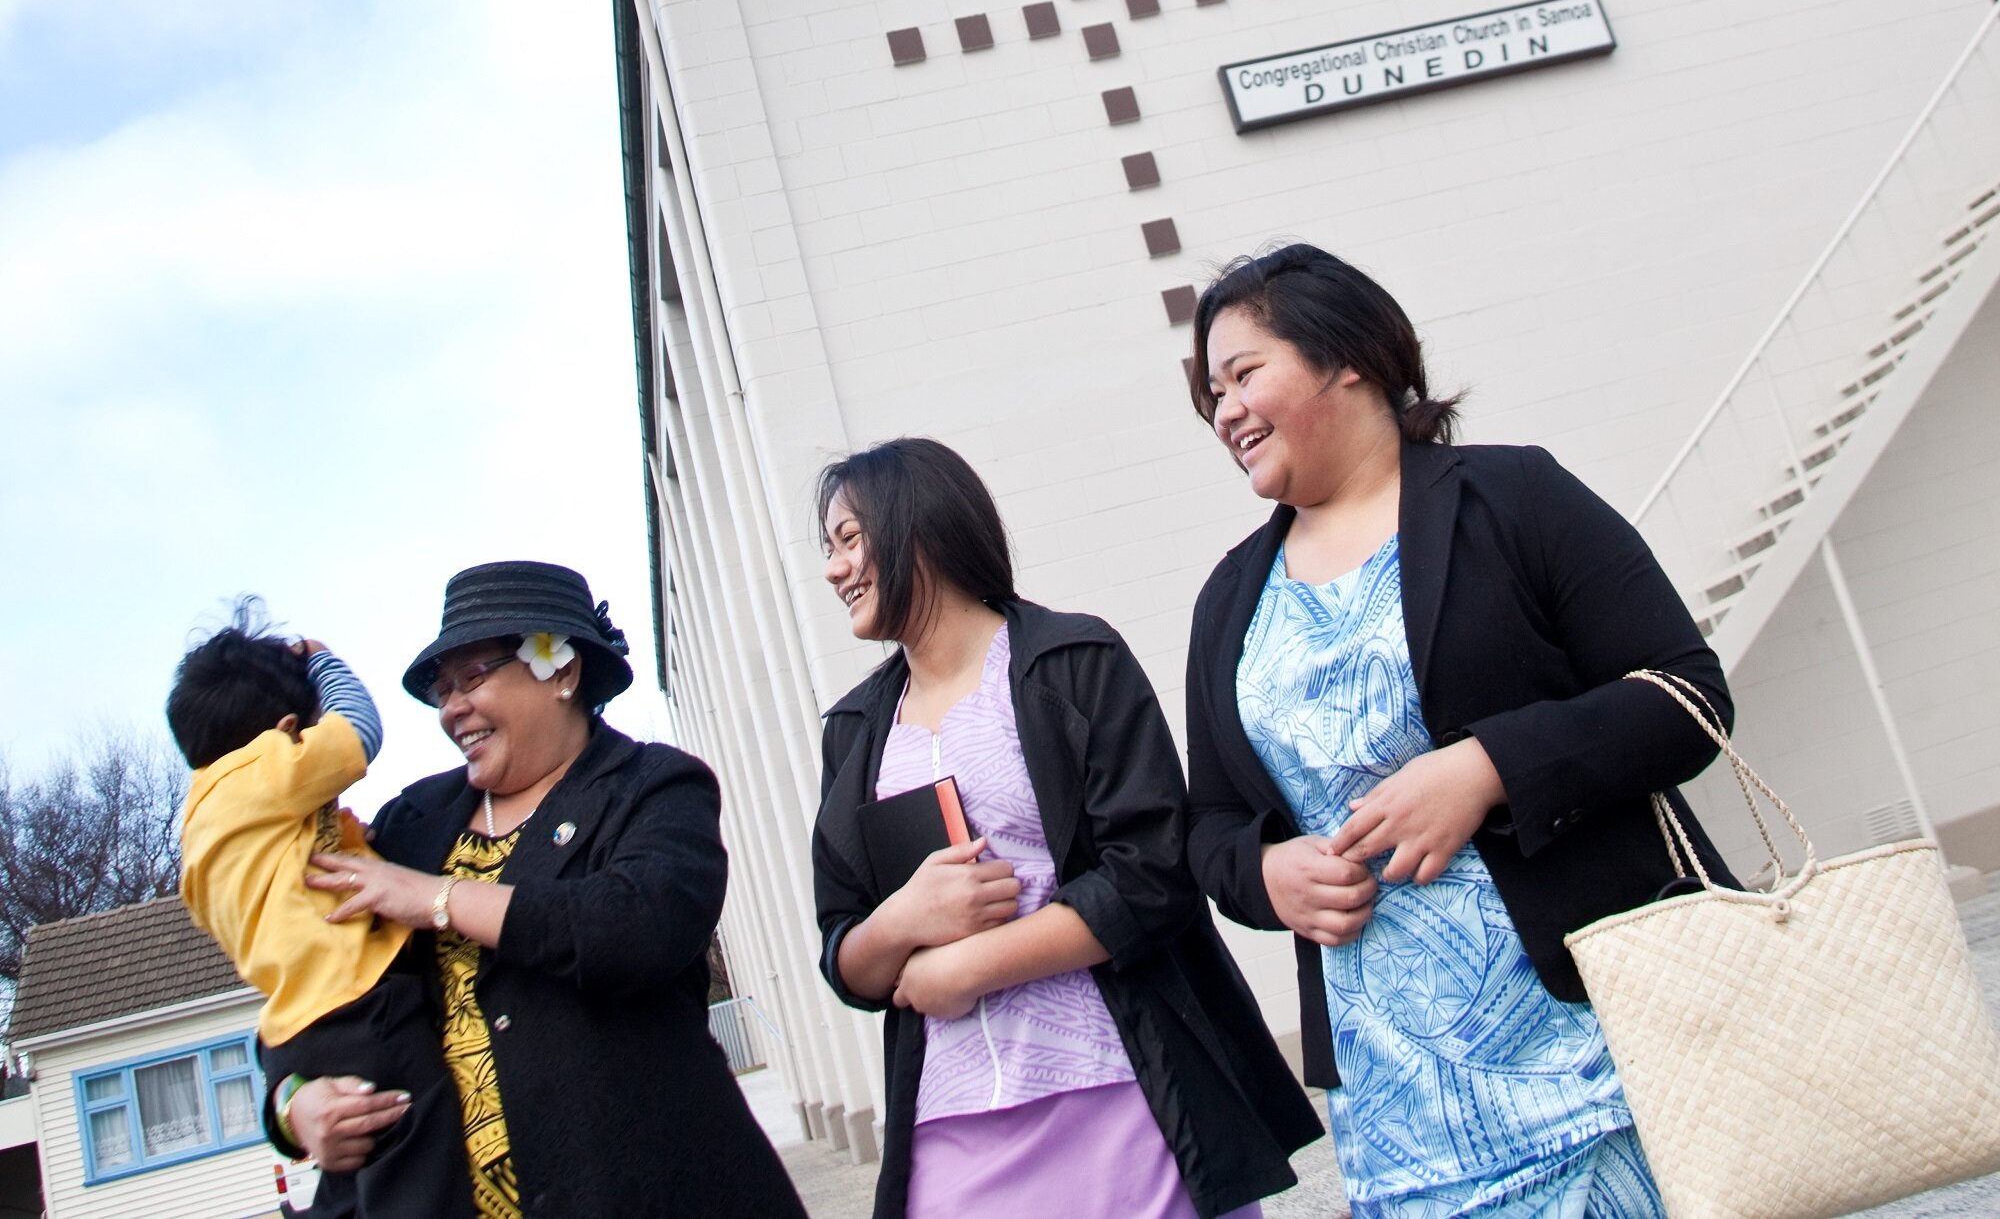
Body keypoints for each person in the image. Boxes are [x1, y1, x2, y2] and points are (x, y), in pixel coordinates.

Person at [1182, 244, 1738, 1217]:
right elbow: (1210, 828)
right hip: (1399, 1117)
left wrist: (1488, 767)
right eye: (1210, 390)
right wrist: (1266, 875)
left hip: (1602, 1066)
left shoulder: (1511, 497)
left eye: (1243, 373)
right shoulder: (1230, 597)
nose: (1222, 408)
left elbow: (1686, 696)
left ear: (1344, 357)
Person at [810, 438, 1322, 1219]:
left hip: (1118, 1086)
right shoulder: (854, 733)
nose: (834, 569)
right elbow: (845, 946)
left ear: (919, 524)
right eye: (829, 549)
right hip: (949, 1125)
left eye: (849, 540)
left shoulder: (1072, 661)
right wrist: (903, 921)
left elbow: (1153, 877)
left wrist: (969, 965)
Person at [265, 561, 806, 1219]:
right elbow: (307, 977)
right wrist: (293, 1103)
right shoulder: (411, 824)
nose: (451, 707)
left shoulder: (652, 786)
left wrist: (438, 899)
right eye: (442, 689)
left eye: (472, 677)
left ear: (562, 671)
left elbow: (639, 924)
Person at [171, 603, 472, 1218]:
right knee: (420, 1141)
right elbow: (361, 729)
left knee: (366, 1160)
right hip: (363, 1002)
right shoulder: (263, 769)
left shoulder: (203, 832)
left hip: (302, 1033)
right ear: (288, 730)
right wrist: (324, 662)